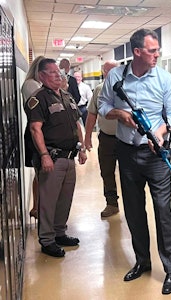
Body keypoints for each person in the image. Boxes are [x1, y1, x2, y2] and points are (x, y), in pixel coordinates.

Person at [98, 29, 171, 295]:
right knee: (133, 211)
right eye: (152, 50)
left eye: (158, 49)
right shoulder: (115, 77)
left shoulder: (165, 79)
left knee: (163, 211)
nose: (157, 54)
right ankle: (142, 261)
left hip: (156, 155)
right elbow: (102, 106)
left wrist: (160, 132)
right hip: (127, 152)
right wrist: (120, 114)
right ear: (137, 52)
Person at [24, 58, 88, 258]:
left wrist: (82, 147)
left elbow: (77, 124)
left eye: (58, 72)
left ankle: (60, 232)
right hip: (52, 157)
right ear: (42, 76)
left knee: (64, 199)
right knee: (48, 201)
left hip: (70, 156)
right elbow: (36, 129)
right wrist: (44, 155)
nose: (57, 75)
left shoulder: (67, 96)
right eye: (52, 72)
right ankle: (47, 240)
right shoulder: (38, 98)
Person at [84, 60, 120, 218]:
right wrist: (87, 137)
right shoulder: (99, 89)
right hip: (106, 138)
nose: (111, 73)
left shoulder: (128, 88)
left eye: (115, 70)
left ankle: (133, 204)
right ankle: (111, 203)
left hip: (127, 140)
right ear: (104, 72)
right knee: (107, 172)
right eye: (108, 71)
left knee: (129, 174)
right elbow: (92, 114)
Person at [21, 55, 45, 221]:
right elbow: (40, 108)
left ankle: (38, 207)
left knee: (40, 174)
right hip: (35, 131)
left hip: (40, 131)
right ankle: (37, 207)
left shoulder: (37, 84)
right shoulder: (31, 85)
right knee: (40, 172)